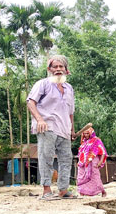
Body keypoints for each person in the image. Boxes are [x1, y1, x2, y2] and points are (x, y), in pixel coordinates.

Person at [26, 55, 77, 200]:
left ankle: (63, 190)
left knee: (66, 158)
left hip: (64, 129)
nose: (58, 69)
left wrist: (72, 130)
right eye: (55, 67)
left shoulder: (69, 88)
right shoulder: (42, 84)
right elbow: (31, 102)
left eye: (61, 67)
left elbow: (70, 111)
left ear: (66, 70)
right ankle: (46, 191)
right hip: (47, 127)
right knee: (46, 157)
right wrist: (40, 120)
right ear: (49, 69)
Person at [76, 127, 108, 197]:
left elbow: (103, 152)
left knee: (95, 177)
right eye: (84, 134)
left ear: (91, 133)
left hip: (93, 162)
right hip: (82, 163)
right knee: (81, 177)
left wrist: (100, 162)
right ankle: (82, 192)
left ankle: (103, 191)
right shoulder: (83, 142)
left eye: (87, 133)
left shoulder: (96, 140)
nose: (86, 135)